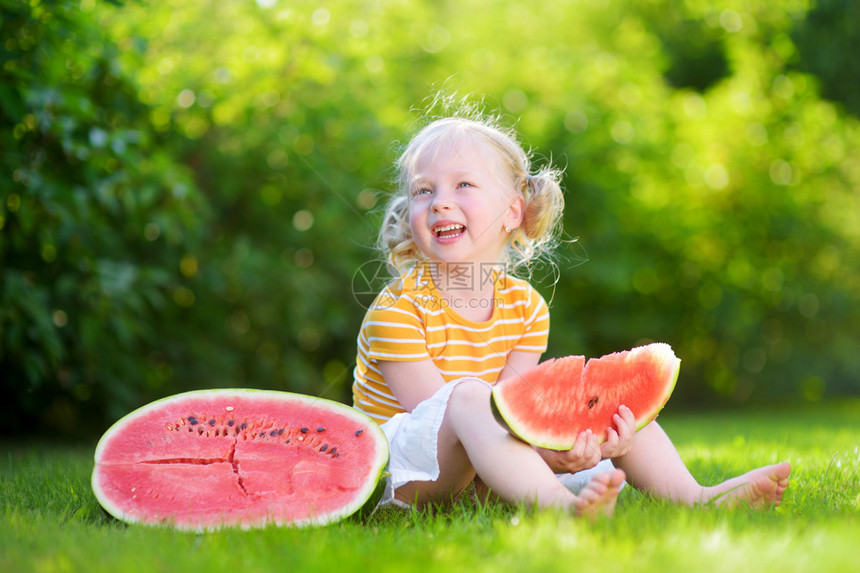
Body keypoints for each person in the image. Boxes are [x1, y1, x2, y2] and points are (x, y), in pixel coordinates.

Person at [351, 108, 791, 518]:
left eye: (462, 185)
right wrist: (542, 455)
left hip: (487, 467)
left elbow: (511, 413)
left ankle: (697, 498)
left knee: (614, 404)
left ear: (513, 212)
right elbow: (437, 424)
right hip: (405, 476)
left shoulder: (525, 309)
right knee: (466, 396)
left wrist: (558, 450)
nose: (440, 201)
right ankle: (561, 507)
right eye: (423, 190)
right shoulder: (398, 311)